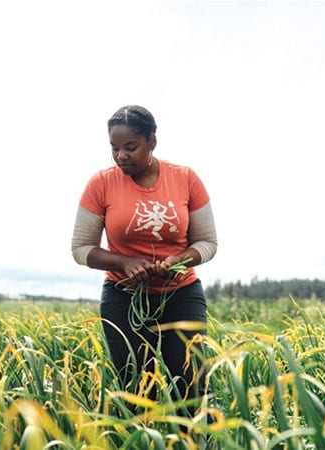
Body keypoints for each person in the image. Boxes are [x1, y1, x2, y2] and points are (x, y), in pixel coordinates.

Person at [71, 105, 218, 419]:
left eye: (130, 147)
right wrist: (125, 262)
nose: (121, 155)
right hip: (123, 299)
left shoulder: (186, 178)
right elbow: (81, 248)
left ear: (152, 141)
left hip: (181, 295)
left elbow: (208, 243)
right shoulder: (101, 184)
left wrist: (179, 260)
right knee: (134, 389)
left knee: (191, 387)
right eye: (114, 148)